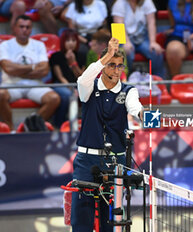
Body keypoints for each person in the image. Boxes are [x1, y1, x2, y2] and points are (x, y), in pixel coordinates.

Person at [71, 37, 143, 231]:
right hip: (87, 160)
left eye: (120, 66)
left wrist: (145, 115)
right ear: (102, 66)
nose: (117, 70)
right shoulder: (89, 87)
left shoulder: (128, 90)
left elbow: (136, 107)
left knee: (111, 220)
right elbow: (82, 79)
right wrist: (107, 55)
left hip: (116, 162)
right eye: (112, 65)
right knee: (81, 219)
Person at [0, 15, 60, 130]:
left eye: (27, 27)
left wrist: (17, 70)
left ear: (31, 29)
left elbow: (44, 70)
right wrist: (33, 67)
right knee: (0, 95)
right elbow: (8, 69)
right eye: (21, 27)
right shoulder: (5, 45)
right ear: (14, 28)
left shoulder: (39, 45)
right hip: (11, 84)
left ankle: (30, 126)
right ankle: (10, 128)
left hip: (35, 84)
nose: (24, 30)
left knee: (54, 98)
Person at [112, 0, 166, 78]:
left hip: (143, 38)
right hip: (124, 38)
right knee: (125, 52)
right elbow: (117, 26)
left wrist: (153, 42)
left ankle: (158, 81)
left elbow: (151, 23)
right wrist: (126, 42)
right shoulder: (119, 3)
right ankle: (125, 80)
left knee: (156, 52)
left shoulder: (147, 2)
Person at [49, 28, 85, 127]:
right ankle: (59, 123)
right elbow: (60, 77)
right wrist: (71, 88)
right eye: (68, 40)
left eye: (73, 40)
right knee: (67, 95)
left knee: (89, 93)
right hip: (60, 84)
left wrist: (73, 63)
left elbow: (81, 77)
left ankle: (84, 121)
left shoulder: (81, 55)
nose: (71, 43)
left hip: (77, 83)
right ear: (63, 42)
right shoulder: (56, 56)